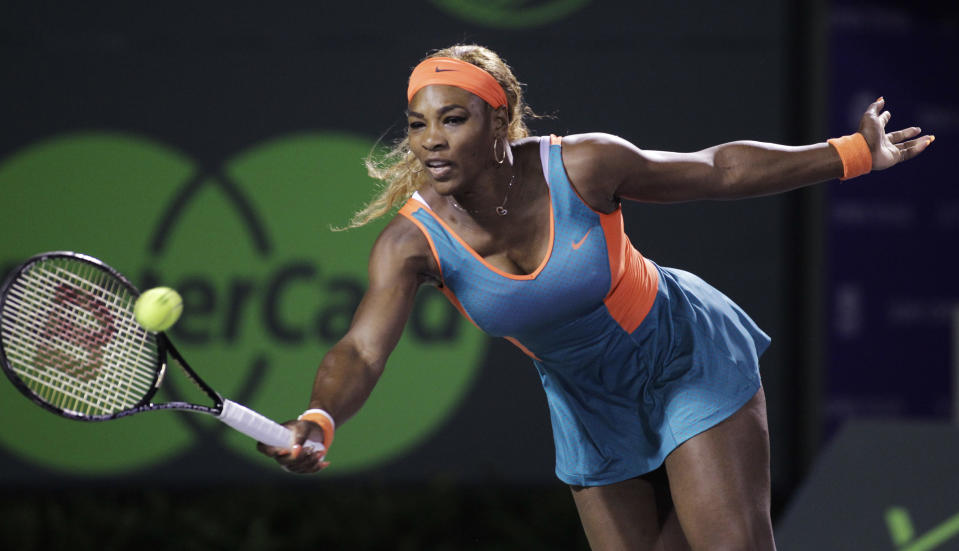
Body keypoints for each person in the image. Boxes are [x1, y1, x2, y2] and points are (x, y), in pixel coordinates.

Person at [257, 44, 933, 550]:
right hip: (586, 402)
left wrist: (850, 153)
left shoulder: (582, 166)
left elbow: (715, 170)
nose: (431, 139)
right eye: (417, 123)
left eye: (453, 119)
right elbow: (361, 349)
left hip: (681, 355)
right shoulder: (409, 245)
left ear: (499, 122)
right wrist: (321, 413)